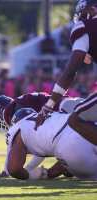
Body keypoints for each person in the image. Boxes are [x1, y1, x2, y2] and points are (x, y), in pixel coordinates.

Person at [35, 0, 97, 145]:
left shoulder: (84, 27)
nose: (81, 17)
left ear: (93, 9)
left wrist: (48, 105)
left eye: (83, 13)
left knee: (75, 119)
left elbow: (70, 71)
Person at [0, 92, 82, 177]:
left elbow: (38, 144)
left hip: (69, 110)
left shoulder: (15, 111)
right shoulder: (18, 105)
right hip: (73, 106)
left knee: (65, 166)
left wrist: (27, 169)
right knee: (69, 171)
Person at [5, 108, 97, 180]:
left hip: (70, 144)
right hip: (87, 125)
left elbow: (14, 169)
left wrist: (31, 175)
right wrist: (48, 174)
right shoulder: (51, 117)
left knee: (72, 167)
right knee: (69, 169)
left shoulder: (18, 128)